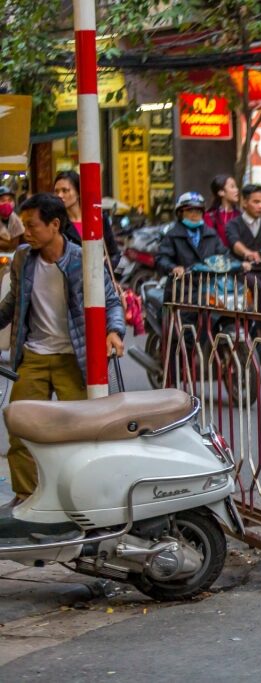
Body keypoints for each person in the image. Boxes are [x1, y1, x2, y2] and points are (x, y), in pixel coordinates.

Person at [0, 193, 125, 508]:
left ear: (55, 225)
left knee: (83, 433)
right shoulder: (23, 259)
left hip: (75, 358)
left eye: (32, 225)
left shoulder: (82, 259)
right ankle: (26, 497)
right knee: (20, 429)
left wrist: (114, 332)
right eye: (24, 225)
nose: (26, 232)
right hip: (34, 357)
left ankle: (84, 497)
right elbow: (13, 304)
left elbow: (110, 301)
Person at [53, 170, 121, 265]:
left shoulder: (98, 218)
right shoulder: (56, 224)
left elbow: (114, 254)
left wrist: (103, 269)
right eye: (56, 191)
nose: (60, 195)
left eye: (65, 190)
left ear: (78, 192)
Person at [203, 174, 241, 247]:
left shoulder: (239, 215)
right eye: (232, 187)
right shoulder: (210, 216)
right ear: (221, 192)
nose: (237, 190)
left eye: (236, 187)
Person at [0, 185, 25, 251]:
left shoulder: (15, 220)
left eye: (10, 200)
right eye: (2, 200)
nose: (6, 203)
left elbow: (14, 246)